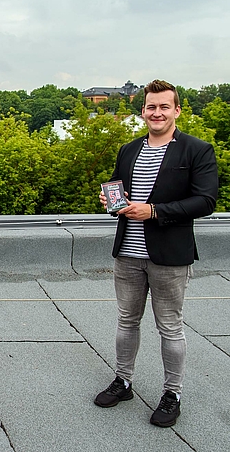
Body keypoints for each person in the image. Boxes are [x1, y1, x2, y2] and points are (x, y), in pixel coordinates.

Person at [94, 79, 218, 427]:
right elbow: (119, 189)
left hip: (169, 254)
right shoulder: (129, 149)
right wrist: (110, 202)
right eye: (151, 106)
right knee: (126, 321)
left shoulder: (197, 150)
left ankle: (172, 394)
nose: (157, 112)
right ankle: (123, 381)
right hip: (128, 253)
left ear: (177, 110)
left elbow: (205, 201)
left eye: (164, 106)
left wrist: (154, 211)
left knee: (169, 327)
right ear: (143, 110)